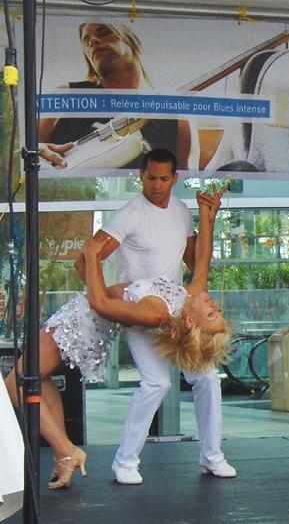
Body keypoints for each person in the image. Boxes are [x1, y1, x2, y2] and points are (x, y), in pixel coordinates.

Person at [2, 187, 228, 490]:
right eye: (218, 310)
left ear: (190, 322)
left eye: (212, 314)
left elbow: (100, 304)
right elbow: (201, 261)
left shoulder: (157, 312)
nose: (214, 304)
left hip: (81, 324)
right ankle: (63, 454)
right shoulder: (187, 295)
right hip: (82, 318)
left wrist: (92, 256)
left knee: (16, 383)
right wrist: (207, 213)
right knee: (38, 378)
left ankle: (68, 450)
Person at [74, 148, 236, 485]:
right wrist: (112, 300)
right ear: (141, 176)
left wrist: (208, 219)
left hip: (175, 308)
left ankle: (212, 456)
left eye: (164, 178)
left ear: (175, 178)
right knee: (157, 383)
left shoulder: (180, 211)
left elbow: (197, 265)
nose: (157, 185)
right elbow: (84, 260)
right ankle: (125, 462)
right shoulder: (130, 214)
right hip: (143, 309)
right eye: (151, 178)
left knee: (207, 378)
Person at [38, 22, 194, 170]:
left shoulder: (176, 115)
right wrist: (36, 151)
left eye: (104, 32)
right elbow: (29, 149)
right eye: (86, 41)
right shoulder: (66, 96)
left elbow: (183, 176)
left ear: (131, 40)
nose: (92, 41)